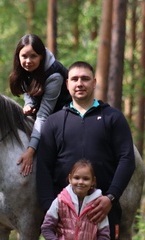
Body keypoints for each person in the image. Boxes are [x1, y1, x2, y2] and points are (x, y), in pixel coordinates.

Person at [36, 61, 135, 239]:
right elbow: (43, 167)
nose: (80, 83)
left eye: (85, 79)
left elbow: (127, 159)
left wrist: (111, 198)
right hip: (63, 218)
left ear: (94, 82)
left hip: (103, 212)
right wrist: (49, 208)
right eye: (74, 79)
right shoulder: (53, 122)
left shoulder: (114, 118)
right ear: (67, 84)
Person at [9, 34, 71, 176]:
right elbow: (26, 89)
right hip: (44, 114)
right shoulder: (24, 69)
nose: (28, 61)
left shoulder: (54, 75)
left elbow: (43, 115)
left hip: (64, 117)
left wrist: (31, 150)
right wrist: (29, 103)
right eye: (24, 56)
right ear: (18, 56)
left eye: (33, 56)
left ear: (41, 56)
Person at [41, 159, 110, 240]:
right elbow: (46, 228)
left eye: (86, 179)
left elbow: (104, 234)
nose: (80, 182)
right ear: (70, 178)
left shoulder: (98, 205)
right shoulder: (60, 201)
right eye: (76, 178)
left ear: (93, 181)